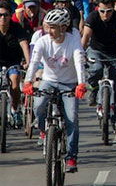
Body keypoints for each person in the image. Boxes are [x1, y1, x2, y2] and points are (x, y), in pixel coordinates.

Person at [23, 9, 86, 173]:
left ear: (63, 28)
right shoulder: (43, 41)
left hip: (69, 83)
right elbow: (34, 62)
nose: (49, 31)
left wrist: (81, 84)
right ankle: (44, 131)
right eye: (47, 27)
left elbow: (79, 61)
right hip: (48, 80)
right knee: (38, 106)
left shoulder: (73, 40)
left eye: (53, 27)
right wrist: (28, 82)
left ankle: (72, 156)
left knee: (72, 117)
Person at [81, 0, 116, 132]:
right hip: (96, 51)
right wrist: (80, 53)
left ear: (113, 8)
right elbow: (86, 36)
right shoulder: (92, 17)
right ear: (98, 9)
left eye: (109, 11)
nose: (105, 14)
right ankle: (94, 88)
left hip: (115, 54)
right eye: (102, 11)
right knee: (96, 69)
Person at [0, 0, 30, 127]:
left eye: (5, 15)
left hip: (13, 62)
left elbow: (24, 44)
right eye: (0, 15)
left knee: (15, 82)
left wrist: (28, 62)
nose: (3, 18)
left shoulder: (16, 28)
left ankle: (15, 109)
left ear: (10, 15)